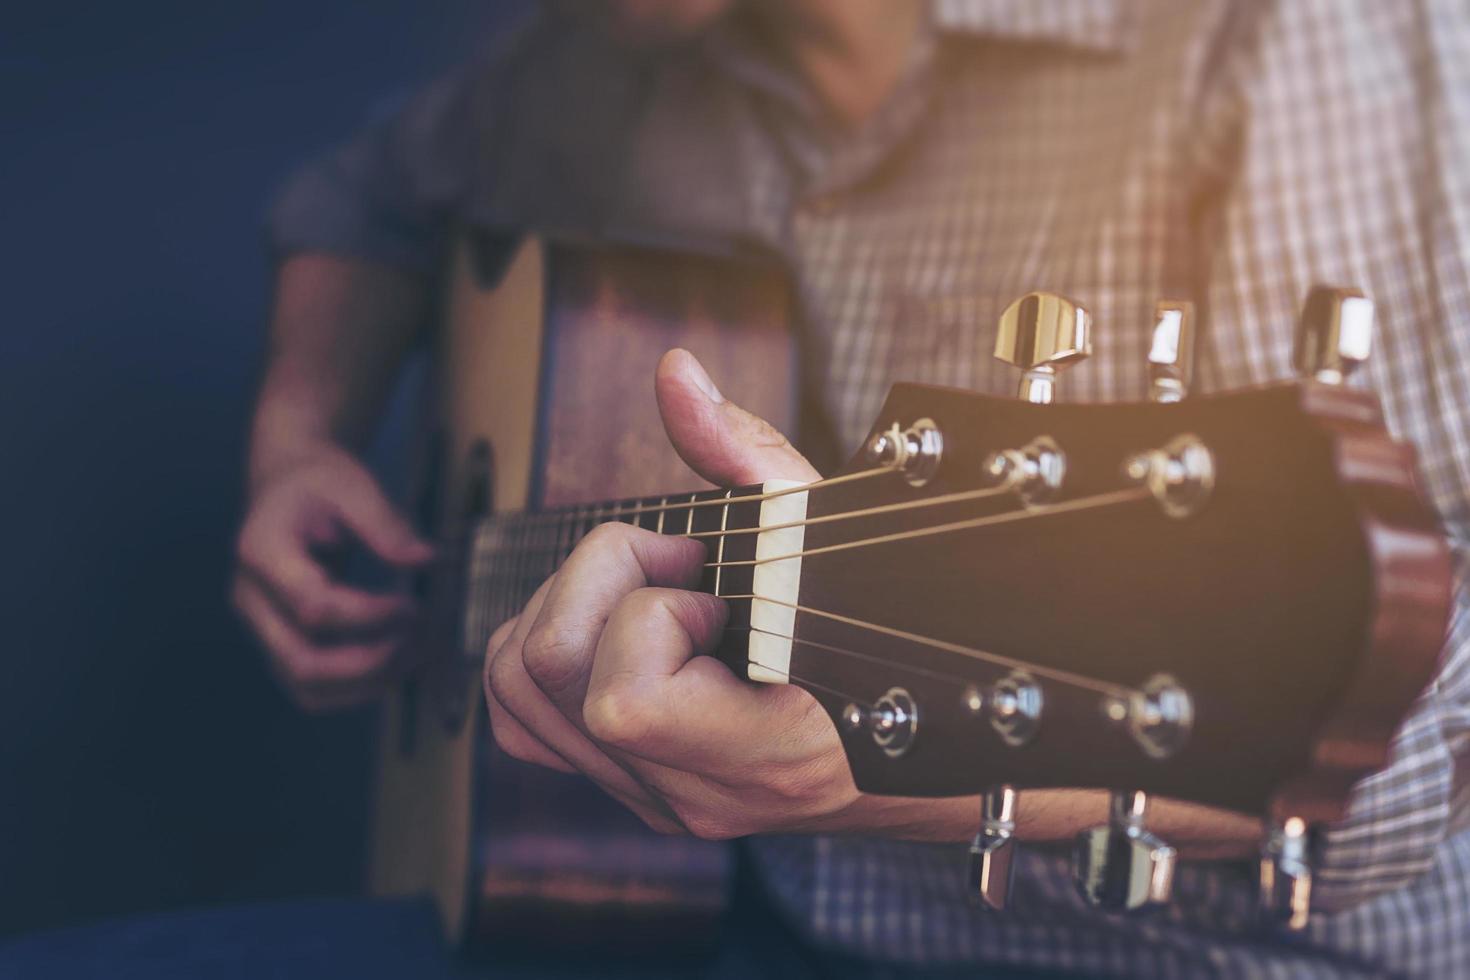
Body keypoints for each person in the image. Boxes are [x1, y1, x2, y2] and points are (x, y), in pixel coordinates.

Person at [234, 0, 1470, 976]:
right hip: (707, 920)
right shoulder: (604, 60)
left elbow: (1438, 685)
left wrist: (883, 779)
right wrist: (299, 441)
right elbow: (369, 202)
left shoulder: (1295, 45)